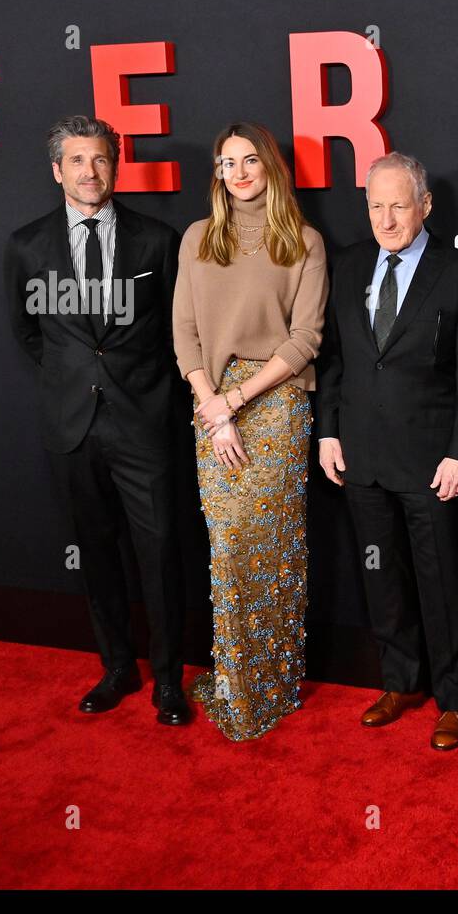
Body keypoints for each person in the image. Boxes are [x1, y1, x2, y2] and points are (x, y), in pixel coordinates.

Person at [4, 115, 190, 726]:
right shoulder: (27, 245)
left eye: (102, 160)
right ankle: (116, 668)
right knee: (96, 551)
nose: (91, 172)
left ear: (116, 165)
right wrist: (74, 380)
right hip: (73, 425)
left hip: (144, 421)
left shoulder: (159, 241)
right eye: (78, 161)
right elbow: (31, 334)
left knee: (160, 552)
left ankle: (167, 681)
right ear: (57, 170)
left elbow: (175, 331)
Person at [316, 153, 458, 751]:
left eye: (398, 204)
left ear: (426, 205)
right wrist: (328, 430)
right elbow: (335, 358)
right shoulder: (349, 265)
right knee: (381, 575)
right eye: (375, 206)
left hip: (431, 458)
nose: (386, 219)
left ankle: (453, 699)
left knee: (440, 582)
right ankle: (398, 680)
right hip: (361, 454)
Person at [172, 121, 327, 741]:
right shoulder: (197, 239)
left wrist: (237, 398)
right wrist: (212, 404)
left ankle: (275, 683)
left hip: (278, 405)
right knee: (229, 550)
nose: (237, 173)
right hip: (212, 410)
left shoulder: (304, 242)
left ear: (270, 168)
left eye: (248, 161)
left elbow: (307, 337)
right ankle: (238, 686)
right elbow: (185, 331)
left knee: (276, 551)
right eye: (225, 162)